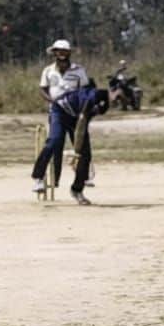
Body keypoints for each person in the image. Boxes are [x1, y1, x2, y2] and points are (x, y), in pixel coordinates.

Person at [32, 39, 94, 205]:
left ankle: (77, 189)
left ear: (69, 53)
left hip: (75, 113)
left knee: (84, 152)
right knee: (53, 141)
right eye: (58, 51)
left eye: (64, 51)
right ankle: (38, 177)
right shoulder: (48, 71)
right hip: (58, 111)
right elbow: (43, 89)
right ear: (54, 53)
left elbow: (86, 91)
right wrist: (52, 101)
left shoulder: (79, 70)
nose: (61, 54)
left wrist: (84, 111)